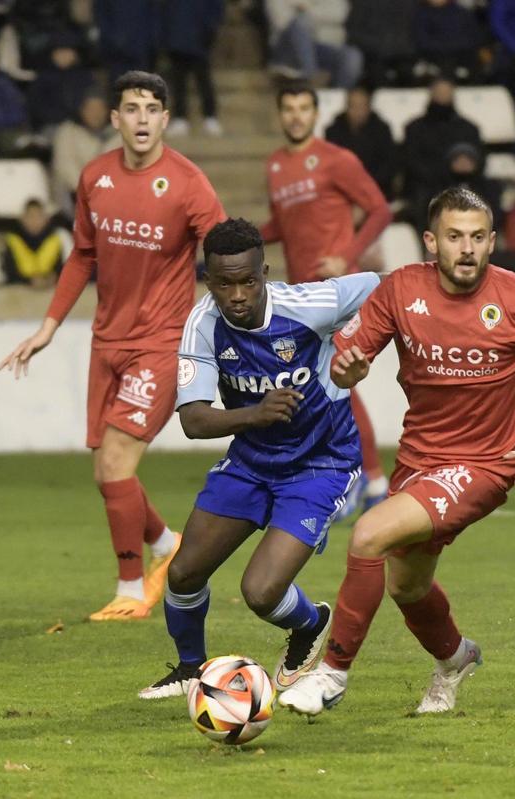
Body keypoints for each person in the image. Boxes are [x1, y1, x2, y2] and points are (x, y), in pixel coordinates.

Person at [278, 187, 515, 717]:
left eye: (478, 237)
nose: (467, 248)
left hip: (484, 467)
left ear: (493, 241)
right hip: (420, 462)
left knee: (369, 534)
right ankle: (456, 658)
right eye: (455, 237)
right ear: (432, 241)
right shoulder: (401, 290)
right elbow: (348, 356)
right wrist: (347, 369)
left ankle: (331, 674)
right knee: (407, 587)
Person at [0, 71, 226, 623]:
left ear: (165, 120)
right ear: (116, 119)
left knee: (117, 464)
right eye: (132, 108)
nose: (142, 118)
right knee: (106, 472)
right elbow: (81, 255)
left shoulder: (189, 183)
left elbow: (224, 251)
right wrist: (49, 326)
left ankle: (131, 590)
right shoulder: (95, 178)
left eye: (153, 108)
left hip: (161, 343)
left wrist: (229, 326)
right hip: (107, 341)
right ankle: (168, 544)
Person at [138, 218, 379, 699]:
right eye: (224, 284)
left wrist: (360, 347)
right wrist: (256, 413)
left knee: (261, 592)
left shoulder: (311, 305)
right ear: (209, 281)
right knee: (183, 572)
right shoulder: (202, 324)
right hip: (251, 461)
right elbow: (194, 420)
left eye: (248, 281)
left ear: (264, 273)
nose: (238, 295)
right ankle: (190, 668)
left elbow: (380, 286)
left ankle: (310, 624)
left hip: (321, 463)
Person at [260, 82, 392, 516]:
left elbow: (379, 209)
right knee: (326, 389)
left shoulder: (337, 160)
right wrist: (235, 236)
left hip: (338, 294)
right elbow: (282, 225)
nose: (296, 116)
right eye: (289, 109)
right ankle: (357, 478)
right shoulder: (276, 166)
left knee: (338, 385)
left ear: (316, 114)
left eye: (304, 108)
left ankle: (368, 479)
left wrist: (347, 256)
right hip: (302, 298)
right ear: (280, 115)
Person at [402, 77, 483, 233]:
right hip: (427, 185)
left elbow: (479, 159)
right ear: (431, 94)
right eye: (439, 92)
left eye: (447, 92)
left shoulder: (468, 129)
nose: (443, 96)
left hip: (463, 182)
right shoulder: (415, 129)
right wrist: (443, 172)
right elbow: (411, 161)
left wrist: (469, 165)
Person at [160, 0, 225, 137]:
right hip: (175, 37)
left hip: (199, 37)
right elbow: (163, 9)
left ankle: (210, 116)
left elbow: (216, 9)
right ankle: (180, 117)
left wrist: (208, 29)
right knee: (178, 81)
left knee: (203, 78)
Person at [266, 1, 363, 89]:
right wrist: (311, 15)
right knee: (300, 23)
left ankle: (336, 100)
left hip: (320, 48)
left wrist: (305, 9)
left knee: (352, 56)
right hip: (286, 49)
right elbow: (280, 21)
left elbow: (340, 13)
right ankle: (311, 77)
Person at [324, 84, 396, 200]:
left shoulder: (382, 130)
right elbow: (331, 166)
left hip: (376, 190)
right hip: (342, 192)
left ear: (369, 107)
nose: (358, 111)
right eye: (353, 106)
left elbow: (389, 164)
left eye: (362, 106)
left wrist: (366, 185)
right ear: (346, 107)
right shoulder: (333, 131)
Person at [52, 93, 115, 202]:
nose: (96, 114)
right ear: (82, 110)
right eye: (91, 109)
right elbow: (65, 167)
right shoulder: (68, 132)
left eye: (100, 109)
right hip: (76, 193)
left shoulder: (120, 134)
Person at [27, 33, 96, 133]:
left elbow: (93, 101)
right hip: (53, 126)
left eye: (67, 51)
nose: (63, 56)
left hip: (84, 125)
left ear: (75, 54)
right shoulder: (43, 78)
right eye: (59, 52)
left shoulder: (85, 76)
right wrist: (61, 119)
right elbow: (36, 106)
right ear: (52, 55)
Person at [412, 0, 490, 85]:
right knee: (446, 64)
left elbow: (475, 37)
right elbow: (423, 41)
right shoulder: (422, 14)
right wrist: (447, 47)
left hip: (463, 53)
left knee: (478, 64)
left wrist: (459, 47)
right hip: (437, 55)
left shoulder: (462, 12)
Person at [4, 199, 64, 287]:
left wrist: (53, 277)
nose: (34, 221)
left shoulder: (55, 240)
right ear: (23, 219)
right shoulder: (13, 240)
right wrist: (29, 281)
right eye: (30, 216)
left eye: (39, 217)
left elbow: (61, 269)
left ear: (46, 219)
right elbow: (9, 274)